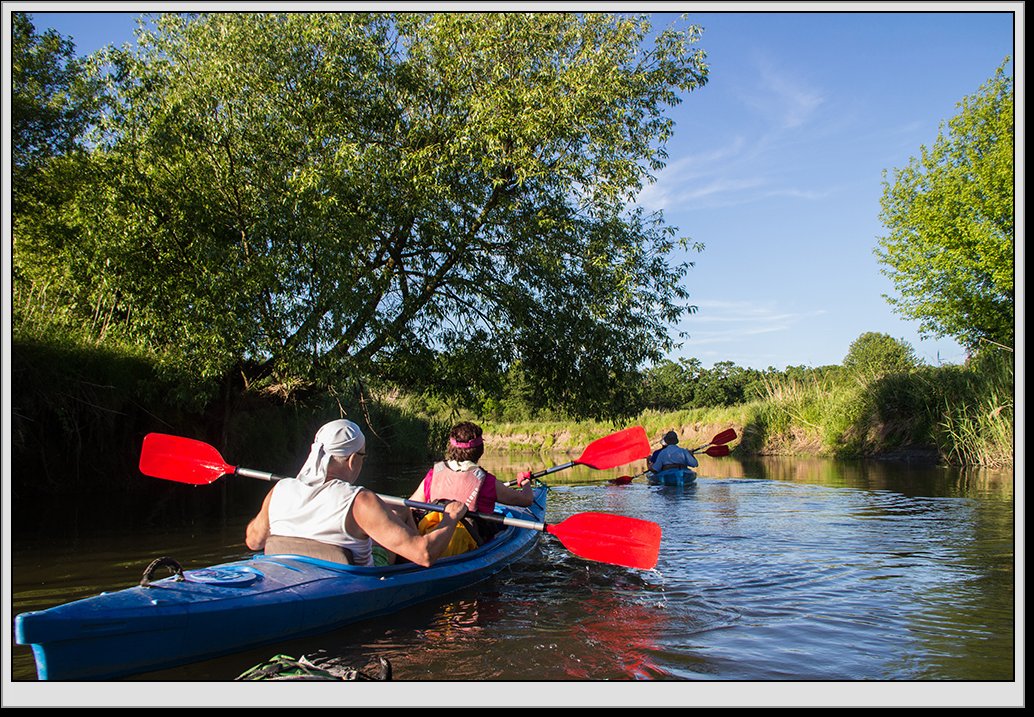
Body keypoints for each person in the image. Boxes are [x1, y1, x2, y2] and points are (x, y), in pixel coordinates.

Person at [245, 419, 468, 567]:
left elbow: (254, 542)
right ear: (352, 460)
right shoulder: (360, 501)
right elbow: (425, 555)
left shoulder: (280, 489)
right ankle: (407, 566)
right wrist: (450, 517)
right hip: (351, 582)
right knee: (400, 514)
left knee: (399, 510)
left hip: (284, 571)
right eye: (362, 456)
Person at [410, 421, 534, 549]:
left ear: (451, 448)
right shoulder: (487, 482)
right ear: (480, 450)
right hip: (468, 542)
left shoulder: (433, 474)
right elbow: (527, 500)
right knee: (498, 527)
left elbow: (411, 505)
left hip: (432, 534)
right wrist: (525, 482)